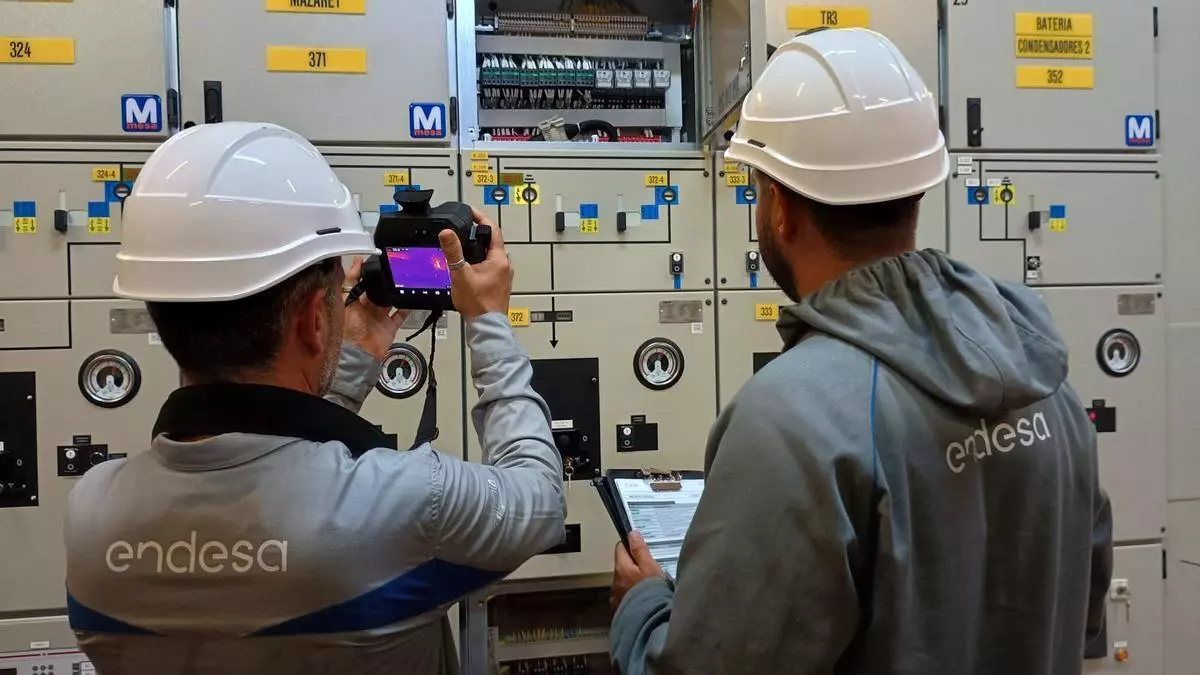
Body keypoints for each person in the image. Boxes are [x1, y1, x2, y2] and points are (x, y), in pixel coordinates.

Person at [609, 28, 1112, 675]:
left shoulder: (790, 419)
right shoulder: (1043, 378)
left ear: (780, 207)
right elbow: (1083, 618)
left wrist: (643, 607)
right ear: (917, 189)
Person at [63, 122, 567, 674]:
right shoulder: (408, 502)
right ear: (311, 320)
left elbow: (290, 464)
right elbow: (540, 500)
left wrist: (345, 360)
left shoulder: (95, 512)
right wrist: (488, 321)